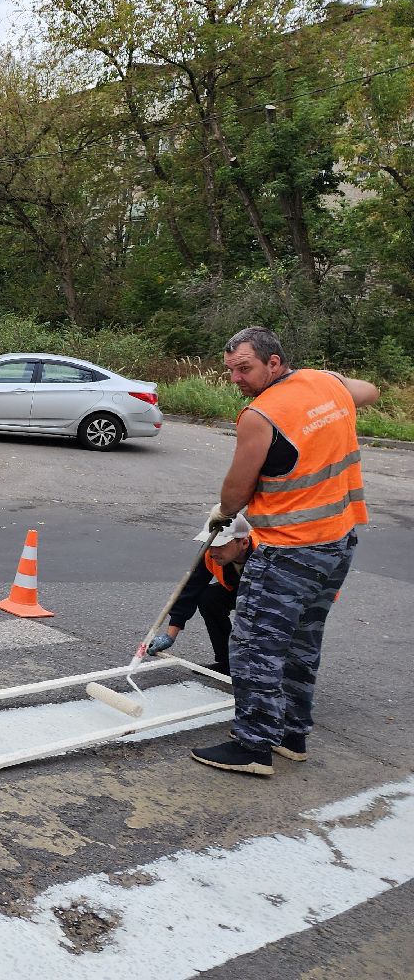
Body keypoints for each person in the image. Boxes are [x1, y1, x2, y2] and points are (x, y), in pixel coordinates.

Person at [191, 327, 379, 777]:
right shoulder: (324, 382)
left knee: (255, 643)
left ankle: (254, 744)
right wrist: (330, 395)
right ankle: (292, 735)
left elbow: (237, 492)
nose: (236, 377)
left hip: (289, 550)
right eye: (230, 369)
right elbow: (369, 390)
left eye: (245, 367)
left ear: (274, 363)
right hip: (339, 541)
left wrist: (222, 513)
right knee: (302, 639)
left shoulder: (260, 415)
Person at [145, 513, 256, 675]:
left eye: (221, 545)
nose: (213, 552)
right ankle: (227, 663)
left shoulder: (266, 552)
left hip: (273, 599)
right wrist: (170, 636)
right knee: (209, 598)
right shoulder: (209, 554)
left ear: (244, 542)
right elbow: (190, 590)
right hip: (240, 589)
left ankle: (271, 670)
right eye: (211, 544)